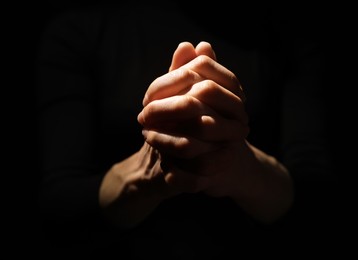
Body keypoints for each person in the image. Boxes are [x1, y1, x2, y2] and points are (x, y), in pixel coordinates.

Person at [35, 1, 338, 258]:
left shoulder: (291, 37)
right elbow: (59, 207)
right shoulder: (79, 31)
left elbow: (318, 208)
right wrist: (152, 169)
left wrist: (236, 164)